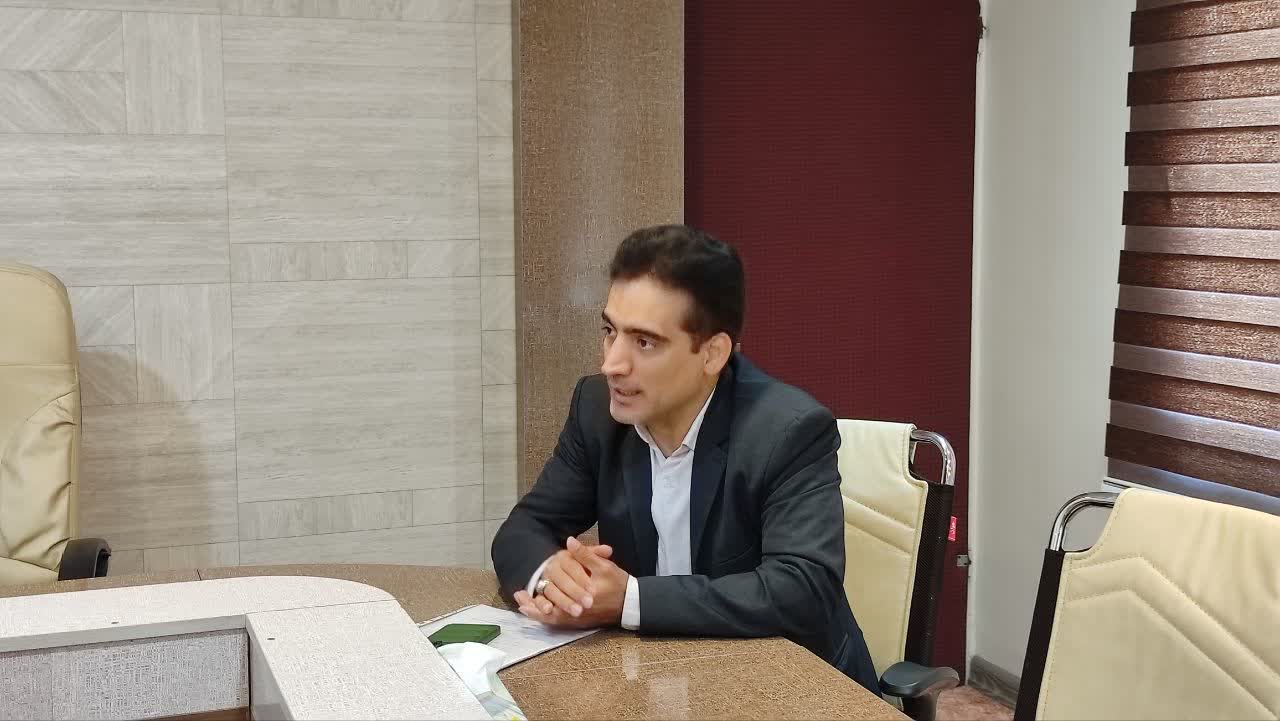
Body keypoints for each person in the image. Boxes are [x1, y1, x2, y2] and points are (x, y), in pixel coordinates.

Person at [490, 224, 878, 693]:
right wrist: (556, 578)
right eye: (610, 331)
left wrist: (630, 600)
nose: (612, 363)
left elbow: (802, 588)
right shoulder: (597, 411)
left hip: (792, 688)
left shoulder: (787, 431)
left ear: (712, 354)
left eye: (644, 342)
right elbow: (524, 529)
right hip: (660, 678)